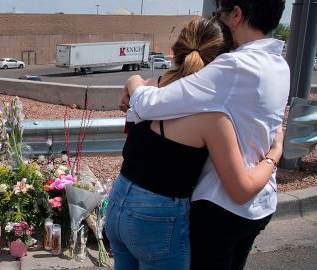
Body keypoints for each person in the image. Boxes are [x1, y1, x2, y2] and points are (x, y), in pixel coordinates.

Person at [105, 16, 284, 270]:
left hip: (118, 201)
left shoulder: (146, 87)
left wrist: (133, 79)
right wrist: (275, 153)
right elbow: (242, 190)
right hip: (157, 216)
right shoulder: (212, 117)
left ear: (174, 49)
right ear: (220, 62)